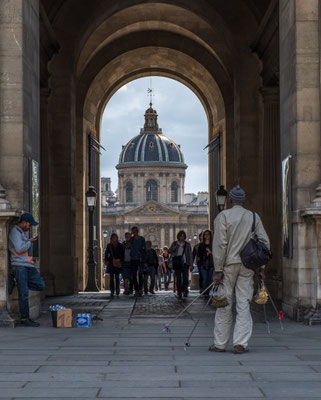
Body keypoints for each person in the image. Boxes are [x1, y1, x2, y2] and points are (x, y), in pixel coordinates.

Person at [210, 185, 269, 354]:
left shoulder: (223, 216)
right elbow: (264, 242)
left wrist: (218, 269)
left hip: (228, 265)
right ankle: (241, 343)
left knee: (223, 303)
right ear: (243, 201)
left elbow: (220, 244)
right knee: (243, 303)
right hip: (248, 265)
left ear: (229, 200)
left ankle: (220, 343)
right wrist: (261, 267)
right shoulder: (253, 216)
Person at [8, 213, 45, 327]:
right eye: (29, 225)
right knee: (23, 293)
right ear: (23, 222)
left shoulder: (22, 232)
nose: (30, 227)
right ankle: (25, 318)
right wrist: (30, 241)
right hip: (20, 265)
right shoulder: (15, 232)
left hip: (28, 265)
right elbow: (19, 249)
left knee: (41, 285)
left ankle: (18, 281)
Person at [169, 231, 193, 298]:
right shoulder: (174, 243)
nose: (182, 237)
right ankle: (179, 292)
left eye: (183, 236)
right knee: (178, 278)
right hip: (177, 263)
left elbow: (190, 254)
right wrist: (173, 250)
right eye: (181, 236)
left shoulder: (187, 244)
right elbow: (169, 251)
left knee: (185, 278)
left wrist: (191, 264)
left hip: (185, 263)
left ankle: (185, 290)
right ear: (178, 236)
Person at [130, 226, 146, 296]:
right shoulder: (131, 239)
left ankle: (140, 289)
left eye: (135, 231)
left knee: (140, 275)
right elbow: (126, 246)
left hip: (140, 259)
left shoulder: (142, 239)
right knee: (134, 275)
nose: (134, 233)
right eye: (133, 232)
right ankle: (136, 290)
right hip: (133, 259)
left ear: (138, 231)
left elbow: (144, 248)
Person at [197, 230, 214, 297]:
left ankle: (208, 291)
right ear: (203, 236)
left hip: (211, 264)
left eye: (208, 234)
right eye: (205, 234)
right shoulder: (201, 245)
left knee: (209, 279)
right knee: (204, 278)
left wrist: (210, 252)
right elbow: (198, 255)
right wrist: (205, 254)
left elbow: (217, 254)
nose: (207, 236)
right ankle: (205, 292)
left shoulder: (213, 244)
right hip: (203, 264)